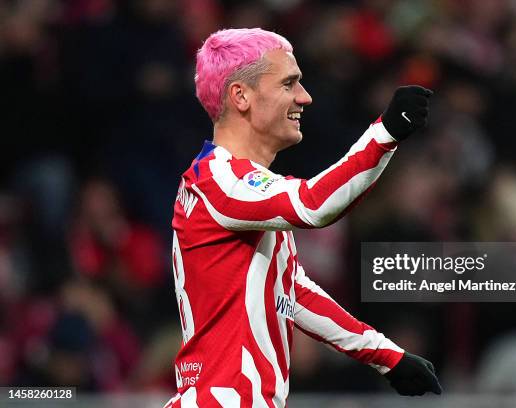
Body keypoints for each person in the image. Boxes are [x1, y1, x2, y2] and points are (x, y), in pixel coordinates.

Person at [165, 28, 440, 408]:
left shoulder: (237, 188)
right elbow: (314, 205)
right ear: (240, 96)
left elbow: (291, 291)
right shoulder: (219, 180)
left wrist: (387, 356)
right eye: (289, 83)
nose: (304, 97)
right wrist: (385, 133)